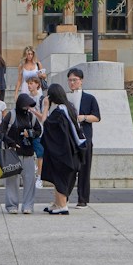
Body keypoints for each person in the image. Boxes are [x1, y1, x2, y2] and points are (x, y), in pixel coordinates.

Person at [39, 82, 86, 216]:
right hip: (72, 150)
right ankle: (57, 203)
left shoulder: (59, 112)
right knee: (60, 177)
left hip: (63, 152)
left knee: (60, 177)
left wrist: (46, 107)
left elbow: (46, 125)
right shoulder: (69, 108)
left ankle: (62, 205)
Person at [0, 89, 41, 214]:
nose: (27, 108)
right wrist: (10, 142)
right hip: (13, 153)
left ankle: (28, 206)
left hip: (28, 153)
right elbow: (0, 132)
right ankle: (12, 206)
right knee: (12, 181)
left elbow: (39, 131)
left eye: (29, 106)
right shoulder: (10, 115)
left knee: (30, 180)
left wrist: (31, 133)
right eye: (26, 105)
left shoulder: (31, 117)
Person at [64, 65, 101, 207]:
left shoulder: (89, 98)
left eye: (74, 80)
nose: (72, 82)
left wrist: (84, 117)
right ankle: (64, 197)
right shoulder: (66, 98)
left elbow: (97, 117)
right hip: (69, 138)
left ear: (81, 81)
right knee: (69, 169)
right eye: (69, 80)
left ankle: (83, 198)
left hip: (85, 138)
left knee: (85, 169)